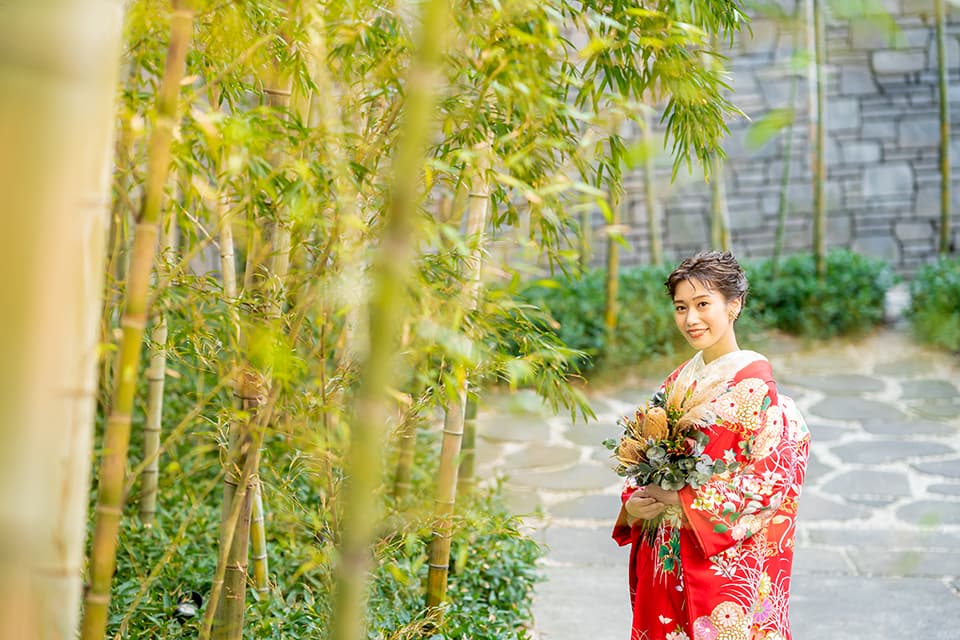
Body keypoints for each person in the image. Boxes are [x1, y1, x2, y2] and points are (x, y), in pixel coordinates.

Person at [612, 251, 810, 640]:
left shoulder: (755, 387)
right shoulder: (678, 381)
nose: (691, 319)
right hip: (666, 557)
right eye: (681, 307)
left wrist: (681, 500)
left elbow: (766, 485)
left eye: (703, 304)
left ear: (734, 305)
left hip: (718, 566)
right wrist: (633, 504)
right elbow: (643, 456)